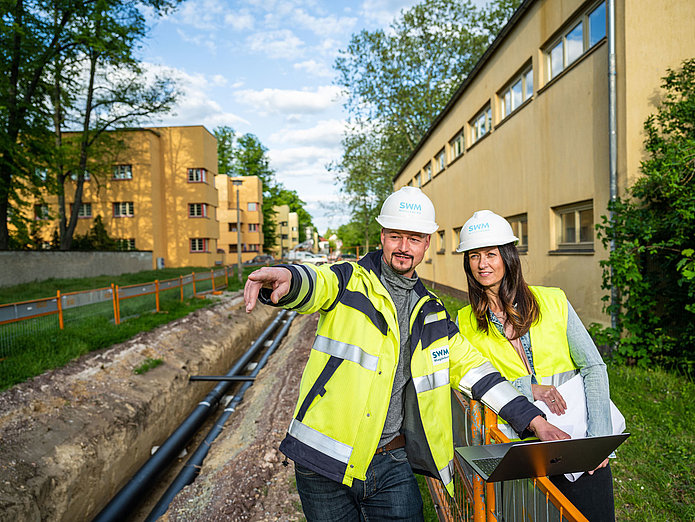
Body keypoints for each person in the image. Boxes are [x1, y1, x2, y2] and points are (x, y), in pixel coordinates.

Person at [244, 187, 568, 521]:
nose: (403, 247)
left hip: (390, 461)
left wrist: (535, 420)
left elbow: (479, 373)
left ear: (427, 242)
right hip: (323, 461)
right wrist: (288, 278)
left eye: (414, 238)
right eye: (396, 236)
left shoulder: (432, 314)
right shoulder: (347, 281)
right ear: (382, 236)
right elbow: (315, 282)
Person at [455, 209, 616, 521]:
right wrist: (527, 389)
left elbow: (594, 367)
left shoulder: (553, 300)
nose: (483, 264)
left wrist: (599, 441)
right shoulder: (464, 322)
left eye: (491, 254)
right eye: (474, 256)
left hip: (578, 437)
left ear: (508, 256)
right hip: (520, 446)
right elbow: (465, 384)